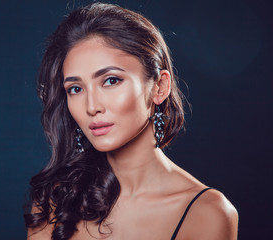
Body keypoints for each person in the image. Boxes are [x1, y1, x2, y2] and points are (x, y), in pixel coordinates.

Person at [24, 2, 238, 240]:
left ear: (159, 86)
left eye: (111, 81)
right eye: (75, 88)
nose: (92, 107)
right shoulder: (54, 201)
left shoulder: (206, 213)